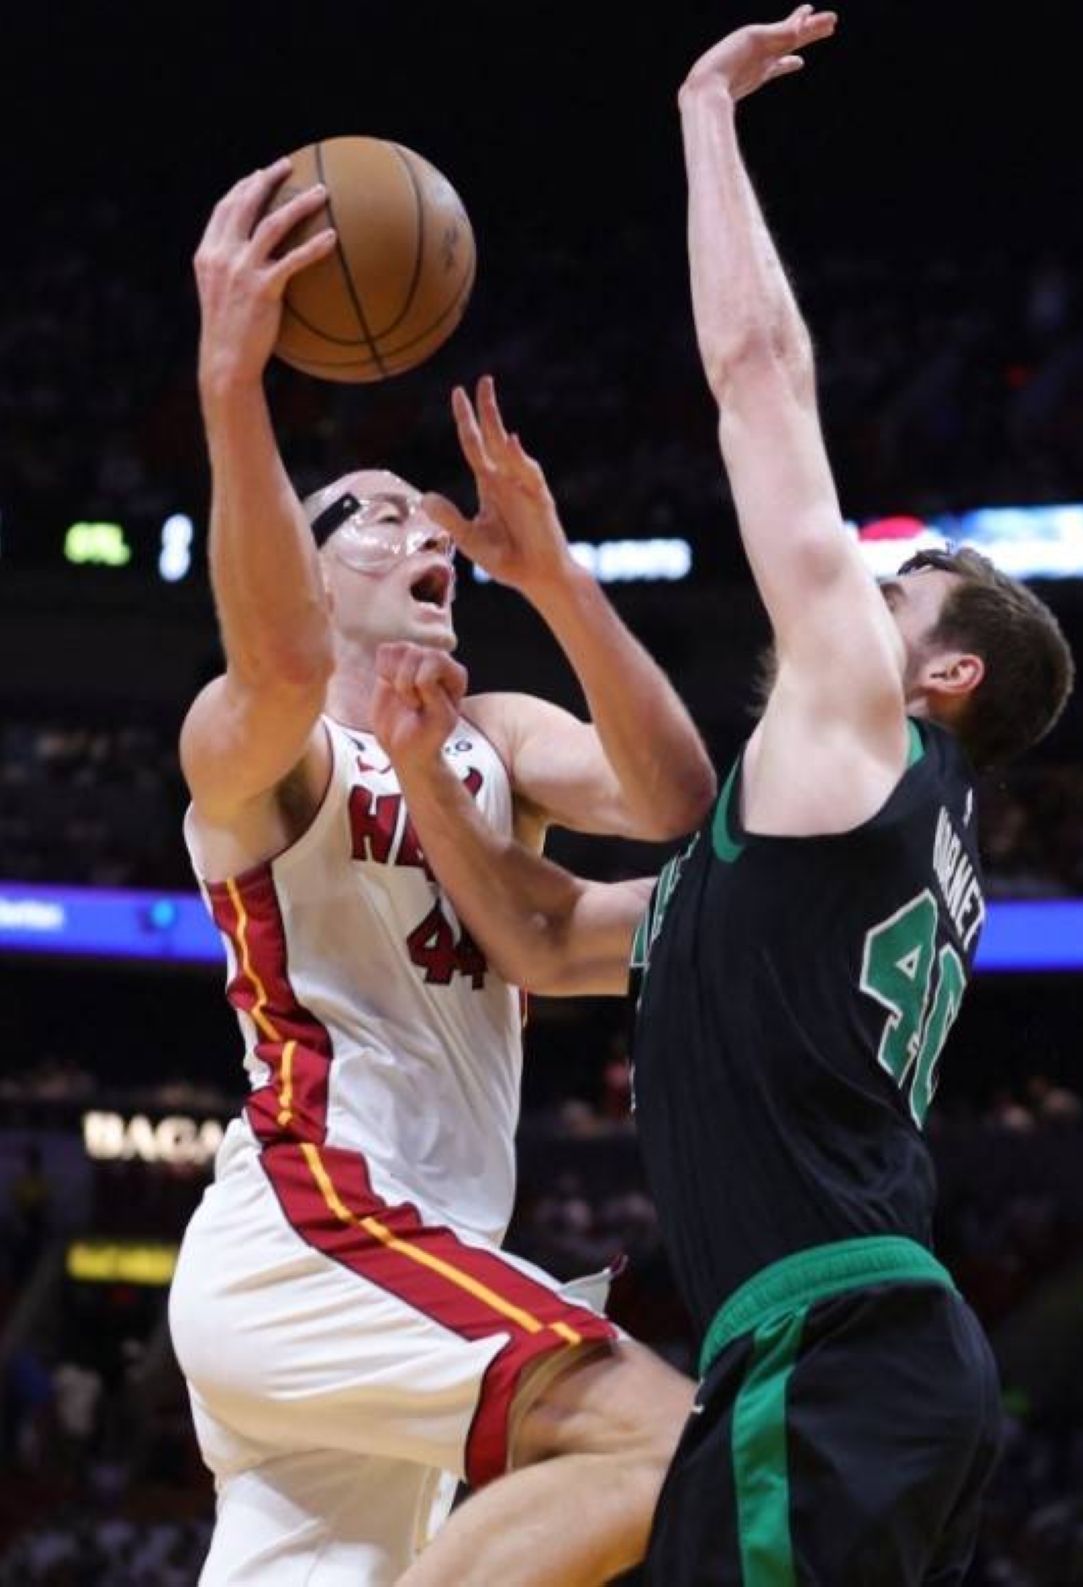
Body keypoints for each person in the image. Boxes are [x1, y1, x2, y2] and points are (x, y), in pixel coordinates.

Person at [370, 9, 1077, 1583]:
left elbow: (759, 375)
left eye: (900, 597)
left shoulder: (869, 738)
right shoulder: (819, 865)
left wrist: (702, 110)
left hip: (836, 1348)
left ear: (944, 678)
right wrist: (431, 755)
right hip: (855, 1357)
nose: (856, 597)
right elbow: (549, 940)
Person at [166, 160, 713, 1585]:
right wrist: (234, 383)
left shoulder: (498, 739)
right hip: (319, 1224)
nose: (429, 532)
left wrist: (558, 581)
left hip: (407, 1264)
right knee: (667, 1446)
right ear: (307, 560)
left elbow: (676, 799)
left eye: (433, 516)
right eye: (381, 515)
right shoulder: (258, 750)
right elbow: (281, 656)